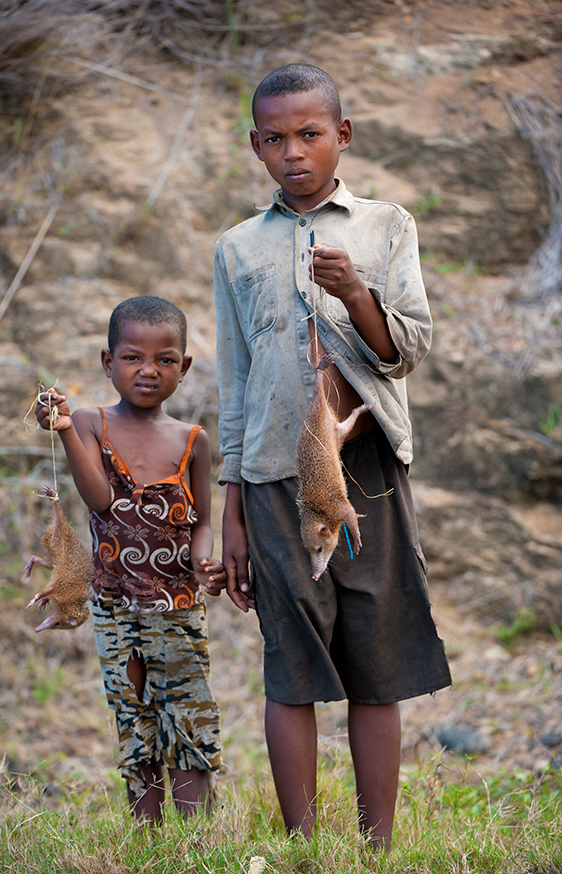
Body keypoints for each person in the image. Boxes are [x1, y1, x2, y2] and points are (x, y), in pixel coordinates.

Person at [214, 64, 451, 850]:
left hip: (369, 473)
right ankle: (304, 850)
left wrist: (355, 294)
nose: (293, 152)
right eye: (275, 138)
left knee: (376, 661)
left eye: (310, 134)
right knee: (292, 666)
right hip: (275, 480)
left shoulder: (386, 226)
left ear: (341, 136)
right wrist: (233, 512)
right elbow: (237, 383)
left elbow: (405, 350)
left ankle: (377, 850)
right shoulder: (237, 249)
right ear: (255, 146)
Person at [34, 295, 224, 822]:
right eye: (132, 357)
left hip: (178, 606)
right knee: (133, 715)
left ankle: (195, 840)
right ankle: (146, 837)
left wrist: (203, 561)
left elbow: (203, 520)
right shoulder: (91, 423)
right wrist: (67, 429)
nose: (148, 370)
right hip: (116, 608)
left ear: (184, 368)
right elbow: (99, 499)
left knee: (187, 715)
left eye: (165, 360)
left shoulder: (192, 440)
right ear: (107, 362)